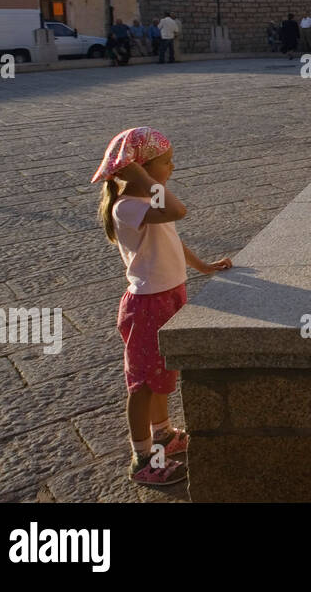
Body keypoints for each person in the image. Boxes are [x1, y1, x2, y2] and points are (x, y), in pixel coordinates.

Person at [92, 127, 231, 486]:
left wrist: (203, 266)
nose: (172, 168)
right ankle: (142, 458)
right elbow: (178, 210)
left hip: (169, 295)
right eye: (166, 163)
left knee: (161, 376)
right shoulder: (128, 207)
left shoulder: (149, 205)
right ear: (142, 169)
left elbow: (172, 237)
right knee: (142, 385)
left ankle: (164, 436)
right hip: (147, 305)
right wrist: (137, 175)